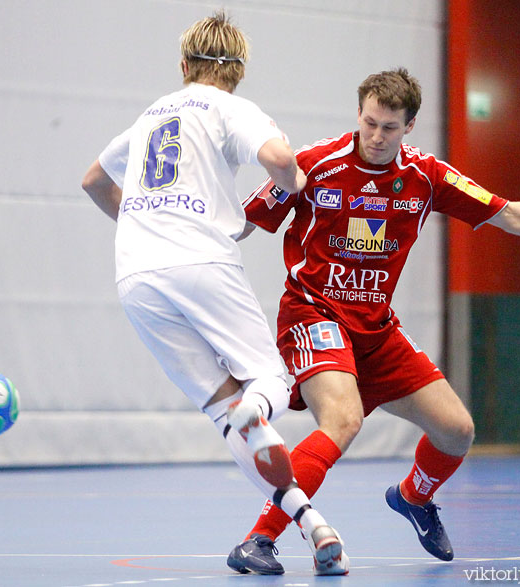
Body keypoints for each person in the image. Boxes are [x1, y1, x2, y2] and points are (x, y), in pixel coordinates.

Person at [224, 67, 520, 575]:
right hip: (313, 311)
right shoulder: (312, 166)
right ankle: (260, 538)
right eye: (369, 123)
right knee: (343, 420)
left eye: (389, 127)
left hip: (376, 327)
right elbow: (241, 224)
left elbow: (506, 212)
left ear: (410, 126)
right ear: (358, 115)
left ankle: (413, 496)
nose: (376, 136)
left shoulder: (426, 177)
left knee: (457, 430)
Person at [81, 12, 348, 576]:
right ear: (240, 71)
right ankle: (257, 411)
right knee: (269, 381)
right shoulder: (232, 107)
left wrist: (140, 222)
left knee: (225, 411)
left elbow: (93, 181)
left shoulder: (150, 114)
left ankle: (311, 523)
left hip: (135, 273)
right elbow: (279, 162)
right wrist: (297, 183)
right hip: (200, 258)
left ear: (183, 66)